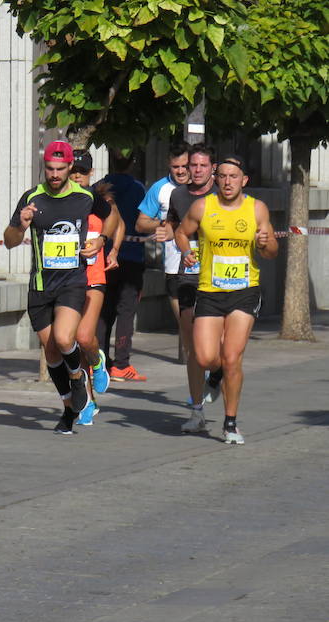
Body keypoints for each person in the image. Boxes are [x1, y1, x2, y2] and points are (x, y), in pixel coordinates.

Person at [4, 140, 106, 435]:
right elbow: (9, 241)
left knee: (64, 339)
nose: (55, 174)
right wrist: (20, 226)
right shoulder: (32, 198)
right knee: (51, 353)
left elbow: (110, 218)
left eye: (61, 169)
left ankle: (78, 374)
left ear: (70, 167)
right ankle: (68, 411)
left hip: (72, 282)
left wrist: (101, 241)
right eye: (50, 168)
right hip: (39, 287)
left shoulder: (85, 196)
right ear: (44, 167)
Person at [174, 155, 277, 444]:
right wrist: (185, 251)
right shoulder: (202, 207)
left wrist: (267, 244)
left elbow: (271, 252)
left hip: (245, 292)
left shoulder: (256, 208)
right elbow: (181, 233)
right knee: (206, 357)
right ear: (215, 179)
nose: (228, 182)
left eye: (234, 177)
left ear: (244, 180)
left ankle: (230, 423)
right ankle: (214, 376)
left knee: (232, 357)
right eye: (223, 176)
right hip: (210, 290)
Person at [159, 144, 217, 432]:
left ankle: (216, 374)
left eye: (202, 166)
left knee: (217, 350)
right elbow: (172, 224)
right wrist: (166, 231)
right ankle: (197, 410)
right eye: (192, 165)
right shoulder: (178, 195)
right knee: (192, 345)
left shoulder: (222, 195)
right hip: (188, 275)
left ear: (212, 169)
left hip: (220, 278)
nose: (195, 171)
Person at [68, 151, 124, 426]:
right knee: (69, 343)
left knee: (85, 337)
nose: (76, 175)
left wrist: (108, 245)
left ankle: (98, 360)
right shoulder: (59, 200)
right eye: (72, 170)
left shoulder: (98, 201)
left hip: (93, 276)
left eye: (82, 171)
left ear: (90, 173)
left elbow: (118, 222)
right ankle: (86, 402)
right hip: (64, 279)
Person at [95, 151, 148, 382]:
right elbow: (144, 220)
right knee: (126, 311)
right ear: (133, 162)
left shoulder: (100, 187)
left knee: (103, 312)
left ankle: (100, 362)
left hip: (103, 257)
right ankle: (121, 364)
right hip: (133, 258)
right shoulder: (138, 189)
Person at [136, 141, 191, 326]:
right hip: (174, 268)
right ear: (169, 165)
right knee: (187, 328)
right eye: (176, 167)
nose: (181, 171)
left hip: (205, 266)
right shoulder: (159, 188)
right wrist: (162, 223)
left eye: (185, 166)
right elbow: (140, 224)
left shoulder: (204, 188)